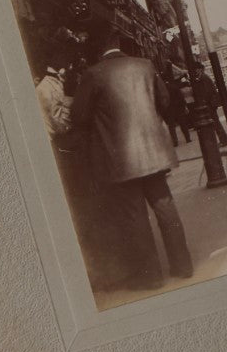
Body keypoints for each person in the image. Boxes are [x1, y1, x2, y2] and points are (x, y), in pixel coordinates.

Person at [70, 34, 193, 288]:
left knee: (135, 217)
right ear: (119, 47)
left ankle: (151, 277)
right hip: (154, 155)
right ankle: (183, 266)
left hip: (121, 159)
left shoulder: (93, 74)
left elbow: (79, 116)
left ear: (97, 50)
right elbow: (165, 101)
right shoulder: (145, 65)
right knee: (165, 208)